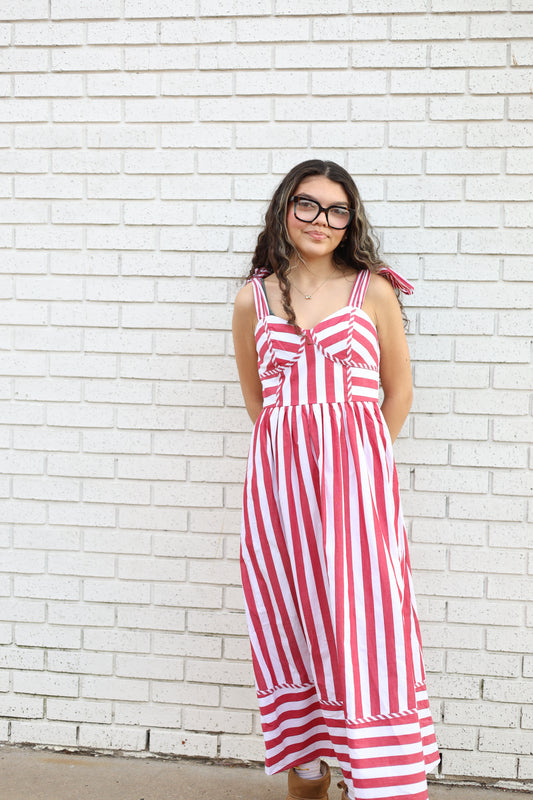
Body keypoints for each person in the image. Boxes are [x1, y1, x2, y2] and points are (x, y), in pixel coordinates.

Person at [232, 159, 439, 800]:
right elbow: (259, 404)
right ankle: (311, 778)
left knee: (367, 621)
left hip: (357, 487)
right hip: (279, 493)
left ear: (350, 220)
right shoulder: (253, 297)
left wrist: (361, 464)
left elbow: (398, 390)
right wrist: (296, 457)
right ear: (284, 210)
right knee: (293, 619)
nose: (322, 220)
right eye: (308, 205)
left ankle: (379, 778)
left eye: (337, 209)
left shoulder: (371, 290)